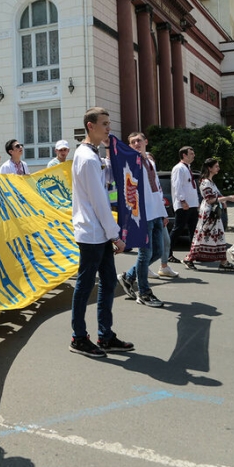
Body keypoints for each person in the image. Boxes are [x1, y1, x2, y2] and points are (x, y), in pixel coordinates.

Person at [69, 107, 134, 357]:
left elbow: (106, 184)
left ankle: (105, 335)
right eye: (104, 124)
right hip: (93, 232)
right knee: (85, 286)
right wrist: (115, 235)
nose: (109, 128)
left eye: (109, 123)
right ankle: (78, 337)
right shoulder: (86, 158)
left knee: (107, 283)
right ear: (90, 126)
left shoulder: (92, 156)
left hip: (100, 232)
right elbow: (98, 201)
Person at [117, 132, 168, 307]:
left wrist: (164, 212)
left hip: (156, 213)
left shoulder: (151, 162)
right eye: (132, 142)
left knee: (158, 252)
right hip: (142, 215)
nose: (136, 143)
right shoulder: (131, 163)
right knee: (144, 254)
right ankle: (144, 293)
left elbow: (158, 189)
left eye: (139, 140)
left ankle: (129, 276)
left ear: (146, 142)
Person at [184, 158, 234, 271]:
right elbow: (210, 199)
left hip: (214, 213)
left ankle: (223, 261)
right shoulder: (205, 182)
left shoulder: (210, 182)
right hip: (209, 214)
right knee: (203, 236)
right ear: (210, 168)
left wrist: (223, 201)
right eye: (216, 166)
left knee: (218, 236)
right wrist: (228, 198)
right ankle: (189, 258)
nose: (218, 168)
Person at [168, 146, 199, 265]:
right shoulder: (179, 168)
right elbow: (177, 186)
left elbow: (190, 187)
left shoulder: (187, 168)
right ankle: (168, 253)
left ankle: (193, 254)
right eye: (191, 153)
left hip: (191, 205)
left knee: (193, 230)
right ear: (184, 155)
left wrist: (195, 203)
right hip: (184, 205)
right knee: (178, 229)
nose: (193, 155)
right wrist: (182, 200)